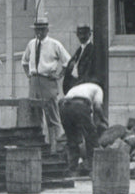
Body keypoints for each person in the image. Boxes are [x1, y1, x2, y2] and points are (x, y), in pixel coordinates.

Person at [21, 16, 70, 151]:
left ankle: (57, 147)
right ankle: (39, 147)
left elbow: (68, 61)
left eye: (42, 29)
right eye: (37, 29)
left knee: (52, 114)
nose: (39, 32)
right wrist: (29, 76)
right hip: (34, 81)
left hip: (48, 81)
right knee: (35, 114)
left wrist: (59, 75)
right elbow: (24, 62)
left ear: (47, 30)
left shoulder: (55, 44)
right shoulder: (31, 44)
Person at [61, 80, 108, 175]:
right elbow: (98, 107)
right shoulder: (98, 89)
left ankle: (72, 168)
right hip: (79, 105)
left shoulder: (80, 88)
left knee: (72, 139)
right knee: (91, 137)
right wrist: (104, 119)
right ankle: (91, 167)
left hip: (63, 106)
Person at [63, 24, 103, 93]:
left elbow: (91, 72)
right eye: (80, 34)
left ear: (89, 34)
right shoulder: (79, 51)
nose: (82, 36)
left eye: (84, 34)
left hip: (83, 86)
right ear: (77, 35)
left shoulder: (93, 50)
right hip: (73, 84)